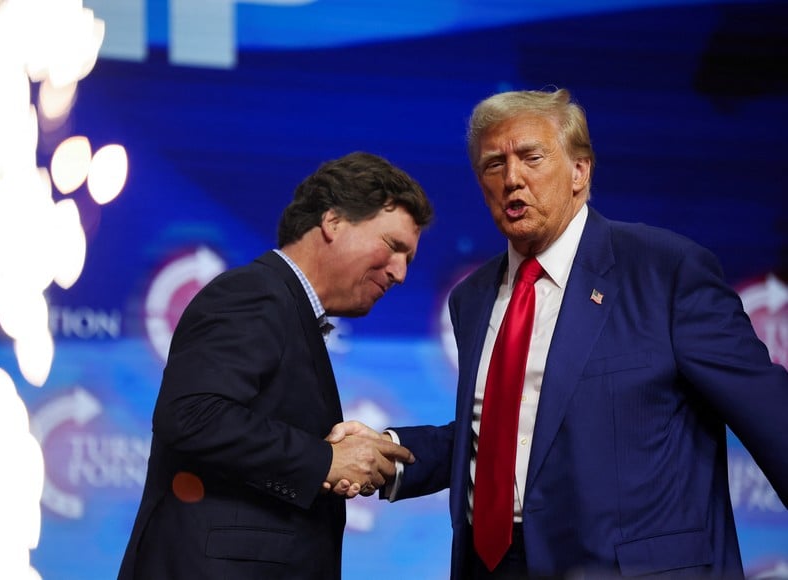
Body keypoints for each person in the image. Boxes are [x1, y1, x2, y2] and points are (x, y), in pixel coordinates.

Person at [329, 88, 788, 578]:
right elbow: (509, 432)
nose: (512, 179)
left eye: (531, 157)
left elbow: (771, 413)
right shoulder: (474, 298)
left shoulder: (664, 271)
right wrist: (393, 452)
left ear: (579, 171)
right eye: (493, 165)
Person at [118, 151, 433, 580]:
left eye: (409, 259)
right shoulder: (255, 293)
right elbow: (190, 415)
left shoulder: (291, 310)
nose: (400, 274)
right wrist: (324, 460)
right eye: (394, 247)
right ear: (334, 221)